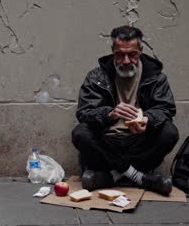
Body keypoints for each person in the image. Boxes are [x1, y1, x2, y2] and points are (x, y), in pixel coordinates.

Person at [71, 25, 178, 195]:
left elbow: (166, 108)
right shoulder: (97, 77)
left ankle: (111, 177)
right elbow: (84, 112)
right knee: (80, 133)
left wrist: (148, 120)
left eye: (132, 55)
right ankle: (139, 178)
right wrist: (109, 114)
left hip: (140, 143)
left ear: (140, 51)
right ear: (113, 51)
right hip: (107, 143)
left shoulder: (155, 77)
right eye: (120, 55)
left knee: (170, 132)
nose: (126, 61)